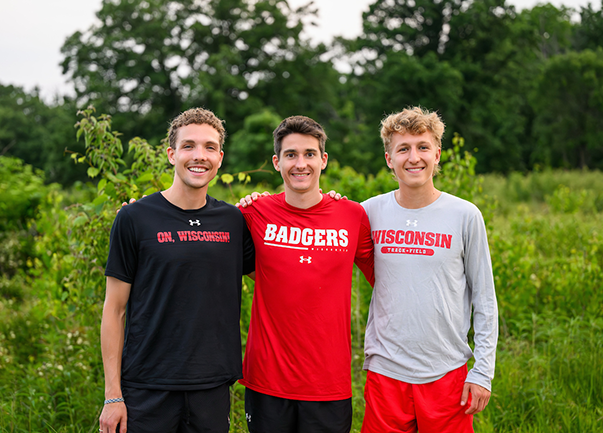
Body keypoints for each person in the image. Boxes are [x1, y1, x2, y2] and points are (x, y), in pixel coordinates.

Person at [99, 108, 255, 433]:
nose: (200, 156)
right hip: (147, 387)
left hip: (212, 387)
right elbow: (114, 310)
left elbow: (281, 269)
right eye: (189, 146)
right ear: (171, 154)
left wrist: (325, 206)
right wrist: (113, 396)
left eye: (210, 147)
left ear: (220, 157)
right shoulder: (134, 218)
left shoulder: (234, 221)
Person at [360, 107, 498, 433]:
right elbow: (321, 233)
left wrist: (482, 372)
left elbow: (485, 300)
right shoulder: (368, 212)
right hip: (385, 371)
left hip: (447, 372)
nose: (414, 158)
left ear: (437, 153)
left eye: (422, 147)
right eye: (403, 148)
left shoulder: (465, 215)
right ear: (388, 158)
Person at [237, 115, 375, 433]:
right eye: (291, 155)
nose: (301, 164)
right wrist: (140, 212)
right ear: (276, 162)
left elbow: (388, 279)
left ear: (323, 160)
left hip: (328, 383)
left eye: (310, 154)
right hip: (267, 381)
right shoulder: (252, 213)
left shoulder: (352, 215)